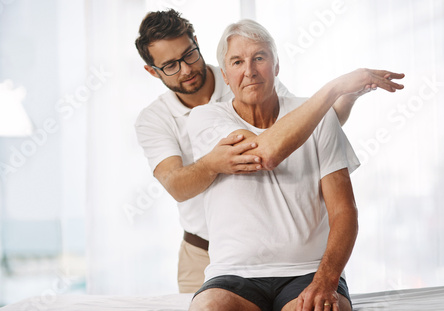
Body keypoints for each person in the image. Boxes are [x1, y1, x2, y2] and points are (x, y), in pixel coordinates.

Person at [134, 9, 375, 293]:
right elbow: (176, 185)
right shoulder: (154, 119)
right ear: (152, 71)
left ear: (196, 43)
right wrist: (212, 164)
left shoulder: (245, 73)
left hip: (279, 254)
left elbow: (304, 126)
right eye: (171, 65)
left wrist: (346, 98)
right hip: (203, 250)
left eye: (189, 55)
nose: (186, 69)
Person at [186, 19, 404, 311]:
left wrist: (325, 279)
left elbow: (344, 211)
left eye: (259, 58)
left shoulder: (320, 118)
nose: (249, 71)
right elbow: (265, 154)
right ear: (225, 75)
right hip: (233, 275)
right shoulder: (205, 119)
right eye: (237, 62)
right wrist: (335, 89)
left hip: (309, 272)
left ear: (277, 67)